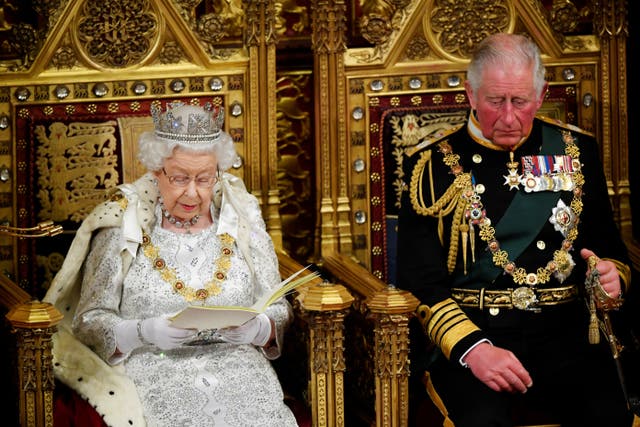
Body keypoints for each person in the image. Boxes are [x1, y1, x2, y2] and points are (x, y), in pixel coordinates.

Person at [396, 33, 635, 427]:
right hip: (477, 335)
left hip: (567, 338)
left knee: (610, 414)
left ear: (540, 97)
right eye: (495, 101)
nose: (508, 117)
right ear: (471, 95)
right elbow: (420, 280)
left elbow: (609, 249)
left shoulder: (577, 151)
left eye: (520, 102)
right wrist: (474, 349)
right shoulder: (431, 166)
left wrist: (611, 276)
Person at [44, 101, 299, 426]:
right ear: (155, 170)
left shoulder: (242, 214)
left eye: (205, 179)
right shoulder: (123, 220)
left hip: (240, 369)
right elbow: (90, 320)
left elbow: (278, 305)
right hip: (155, 369)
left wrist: (259, 327)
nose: (192, 192)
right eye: (179, 178)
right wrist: (142, 332)